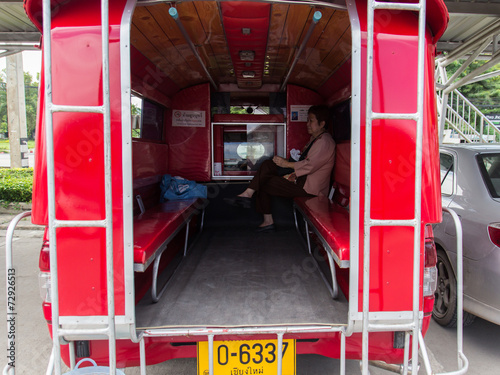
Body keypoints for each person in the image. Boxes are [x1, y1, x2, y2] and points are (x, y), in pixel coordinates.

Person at [225, 105, 336, 232]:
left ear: (322, 124)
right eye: (307, 120)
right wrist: (285, 161)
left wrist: (286, 164)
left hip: (309, 188)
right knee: (268, 163)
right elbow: (305, 161)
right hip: (300, 179)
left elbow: (310, 165)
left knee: (263, 181)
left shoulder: (325, 142)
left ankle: (266, 219)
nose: (307, 124)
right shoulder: (315, 140)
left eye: (311, 121)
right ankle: (249, 193)